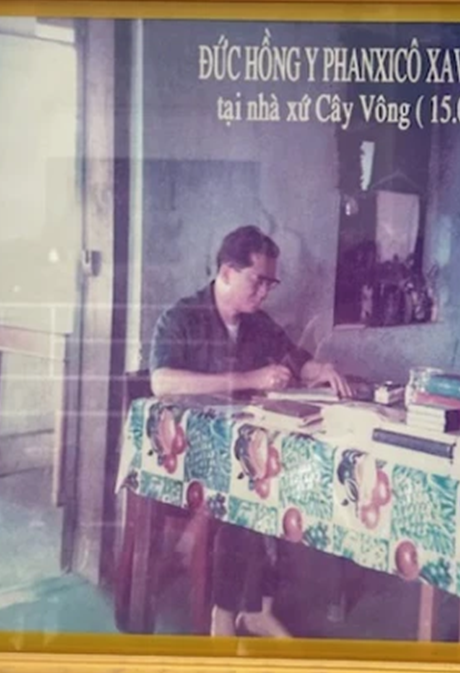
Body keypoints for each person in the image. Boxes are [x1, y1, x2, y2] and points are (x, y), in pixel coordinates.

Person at [148, 224, 352, 637]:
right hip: (187, 455)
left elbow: (293, 357)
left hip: (241, 451)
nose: (264, 294)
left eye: (270, 285)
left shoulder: (258, 323)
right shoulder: (182, 317)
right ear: (227, 272)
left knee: (280, 479)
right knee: (251, 487)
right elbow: (162, 382)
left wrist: (319, 369)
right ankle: (226, 616)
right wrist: (249, 378)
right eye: (257, 282)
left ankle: (257, 608)